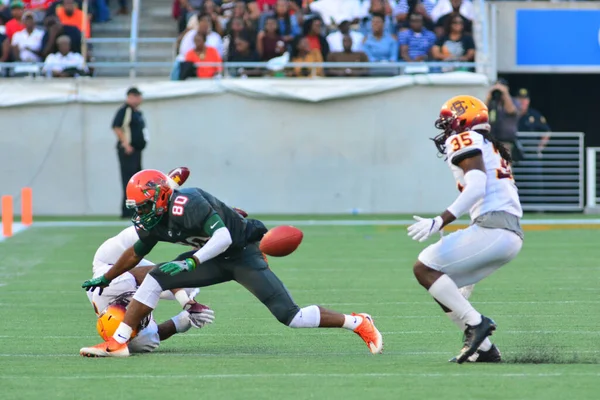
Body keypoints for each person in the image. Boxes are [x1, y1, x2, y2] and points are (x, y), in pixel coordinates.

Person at [79, 169, 383, 357]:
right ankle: (118, 344)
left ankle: (357, 322)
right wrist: (107, 278)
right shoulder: (155, 219)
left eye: (144, 205)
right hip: (211, 259)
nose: (141, 212)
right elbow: (134, 253)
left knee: (291, 316)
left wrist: (190, 263)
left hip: (240, 256)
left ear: (159, 198)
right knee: (156, 277)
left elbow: (223, 237)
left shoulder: (188, 203)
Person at [407, 95, 523, 364]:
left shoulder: (464, 139)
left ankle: (477, 324)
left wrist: (441, 219)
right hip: (507, 233)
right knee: (442, 289)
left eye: (449, 123)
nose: (446, 130)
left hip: (493, 230)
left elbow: (476, 186)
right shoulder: (490, 146)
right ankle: (485, 350)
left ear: (462, 122)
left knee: (423, 268)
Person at [87, 168, 214, 354]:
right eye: (137, 326)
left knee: (147, 226)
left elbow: (156, 271)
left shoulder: (108, 290)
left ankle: (169, 187)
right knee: (190, 285)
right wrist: (184, 320)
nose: (137, 320)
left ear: (118, 306)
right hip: (130, 285)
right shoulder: (135, 339)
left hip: (110, 264)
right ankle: (204, 236)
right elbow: (156, 333)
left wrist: (185, 302)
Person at [112, 87, 147, 219]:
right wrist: (126, 145)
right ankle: (127, 210)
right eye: (137, 96)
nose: (140, 99)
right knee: (129, 180)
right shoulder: (125, 110)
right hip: (128, 151)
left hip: (136, 151)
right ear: (131, 97)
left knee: (138, 180)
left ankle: (137, 208)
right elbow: (116, 126)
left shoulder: (137, 112)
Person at [486, 78, 518, 160]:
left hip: (505, 142)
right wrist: (489, 95)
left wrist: (505, 93)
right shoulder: (492, 102)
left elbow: (511, 110)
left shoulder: (513, 101)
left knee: (505, 167)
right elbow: (483, 111)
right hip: (490, 141)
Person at [516, 88, 551, 157]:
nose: (522, 101)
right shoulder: (510, 115)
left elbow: (547, 132)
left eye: (525, 99)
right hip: (516, 155)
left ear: (528, 101)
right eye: (520, 99)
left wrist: (539, 148)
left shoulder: (534, 115)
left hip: (531, 154)